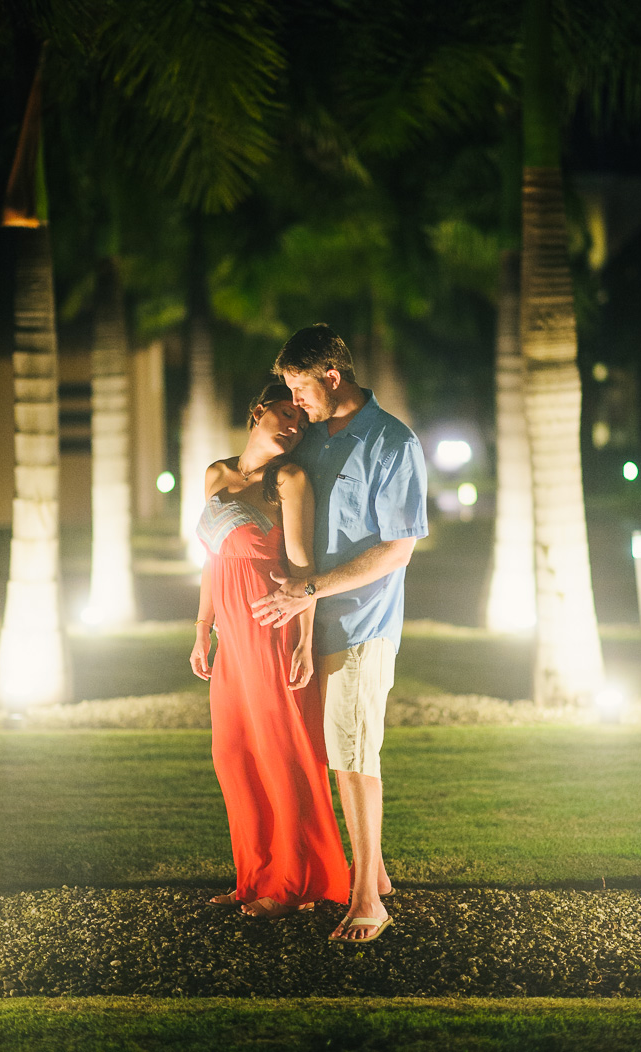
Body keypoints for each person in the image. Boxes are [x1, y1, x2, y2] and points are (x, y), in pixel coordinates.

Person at [252, 324, 428, 943]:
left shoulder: (393, 443)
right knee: (331, 753)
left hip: (363, 624)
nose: (295, 402)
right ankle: (375, 874)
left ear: (332, 376)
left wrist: (311, 590)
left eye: (301, 388)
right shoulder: (312, 443)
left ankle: (366, 902)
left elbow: (397, 550)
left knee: (352, 755)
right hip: (309, 627)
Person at [190, 382, 350, 919]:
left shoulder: (291, 479)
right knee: (233, 757)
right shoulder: (216, 474)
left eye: (300, 422)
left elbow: (303, 566)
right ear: (258, 411)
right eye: (285, 414)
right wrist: (201, 628)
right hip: (231, 638)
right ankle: (252, 876)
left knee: (282, 755)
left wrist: (305, 640)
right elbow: (213, 560)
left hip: (272, 626)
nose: (293, 426)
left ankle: (294, 882)